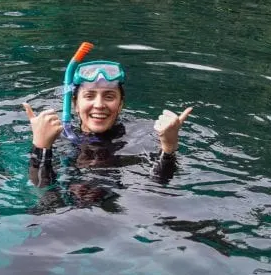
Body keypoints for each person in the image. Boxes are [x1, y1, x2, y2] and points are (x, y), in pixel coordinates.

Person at [21, 59, 192, 207]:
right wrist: (41, 147)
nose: (99, 104)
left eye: (109, 97)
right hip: (68, 213)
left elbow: (157, 188)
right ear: (75, 104)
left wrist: (168, 147)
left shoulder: (142, 133)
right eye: (89, 96)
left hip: (125, 208)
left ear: (120, 104)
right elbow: (42, 191)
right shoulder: (56, 139)